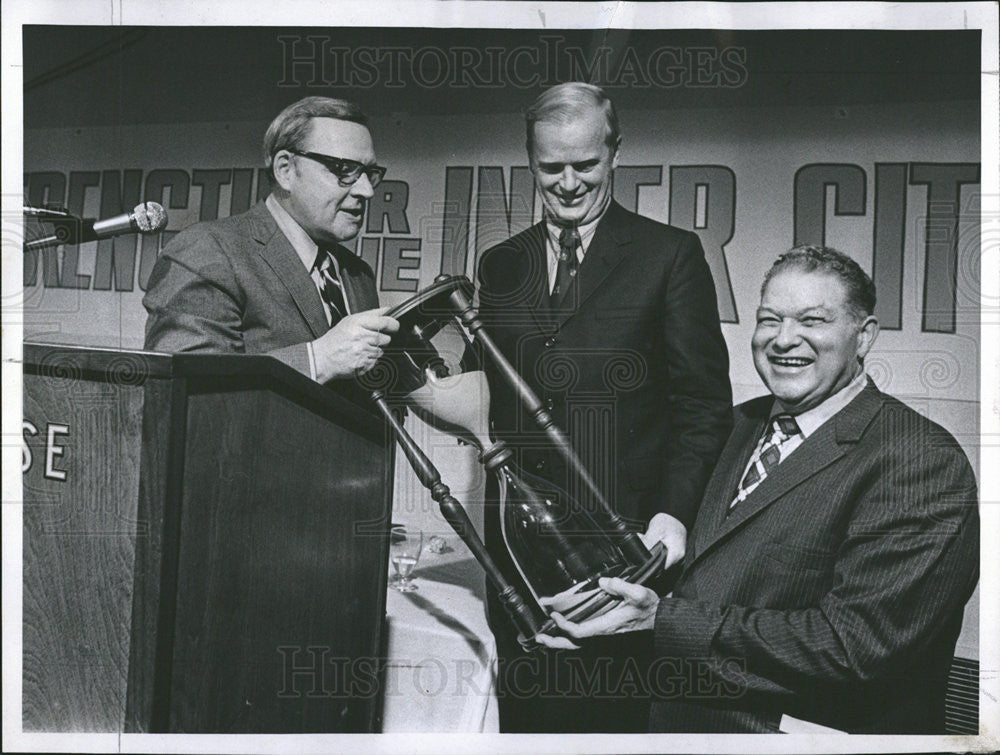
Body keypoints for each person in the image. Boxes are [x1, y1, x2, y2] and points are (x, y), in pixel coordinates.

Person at [539, 245, 980, 734]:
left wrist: (660, 622)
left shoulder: (919, 458)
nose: (784, 340)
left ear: (864, 336)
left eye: (812, 321)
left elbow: (858, 647)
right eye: (769, 320)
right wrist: (604, 607)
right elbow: (708, 577)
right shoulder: (737, 424)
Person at [476, 82, 733, 732]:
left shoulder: (670, 255)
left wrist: (673, 514)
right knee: (523, 727)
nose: (567, 183)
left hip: (622, 562)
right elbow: (485, 395)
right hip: (516, 564)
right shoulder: (500, 264)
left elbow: (704, 405)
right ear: (529, 159)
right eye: (549, 166)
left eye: (584, 165)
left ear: (616, 153)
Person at [144, 96, 398, 396]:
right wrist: (317, 360)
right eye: (344, 170)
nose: (366, 190)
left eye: (370, 173)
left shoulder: (357, 275)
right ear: (285, 170)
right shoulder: (209, 251)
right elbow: (187, 388)